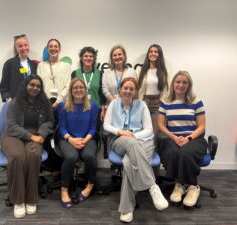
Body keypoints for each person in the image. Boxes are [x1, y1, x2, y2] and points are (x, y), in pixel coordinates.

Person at [104, 77, 168, 223]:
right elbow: (106, 126)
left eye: (131, 89)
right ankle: (152, 186)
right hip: (120, 141)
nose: (127, 91)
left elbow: (149, 129)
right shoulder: (113, 104)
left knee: (128, 163)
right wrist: (121, 132)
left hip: (143, 140)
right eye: (125, 88)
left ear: (135, 91)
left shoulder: (142, 105)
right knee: (131, 145)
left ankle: (126, 209)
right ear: (120, 89)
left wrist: (134, 135)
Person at [0, 75, 54, 218]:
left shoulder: (45, 103)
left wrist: (42, 133)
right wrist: (31, 136)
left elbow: (50, 122)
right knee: (17, 156)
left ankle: (31, 199)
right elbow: (11, 126)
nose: (35, 88)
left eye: (38, 86)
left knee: (33, 155)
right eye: (32, 84)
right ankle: (18, 200)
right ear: (25, 85)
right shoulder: (15, 103)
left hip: (36, 135)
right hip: (12, 136)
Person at [157, 71, 207, 208]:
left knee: (185, 153)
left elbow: (202, 126)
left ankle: (192, 186)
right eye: (178, 82)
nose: (180, 85)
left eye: (185, 82)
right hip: (172, 138)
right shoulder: (166, 102)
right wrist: (173, 137)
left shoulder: (196, 102)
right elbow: (161, 124)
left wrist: (188, 138)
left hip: (194, 139)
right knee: (171, 153)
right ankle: (179, 184)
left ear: (189, 85)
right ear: (173, 83)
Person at [58, 78, 99, 208]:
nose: (78, 90)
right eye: (75, 87)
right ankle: (64, 189)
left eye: (81, 87)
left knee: (89, 157)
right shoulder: (63, 106)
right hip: (67, 138)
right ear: (71, 90)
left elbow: (93, 128)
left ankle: (90, 185)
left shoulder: (93, 106)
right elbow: (62, 127)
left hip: (87, 138)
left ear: (85, 90)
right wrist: (71, 139)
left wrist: (85, 140)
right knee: (71, 157)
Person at [136, 44, 169, 137]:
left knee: (155, 131)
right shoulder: (141, 70)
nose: (153, 53)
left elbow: (166, 91)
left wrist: (163, 105)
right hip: (143, 102)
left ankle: (154, 151)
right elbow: (137, 89)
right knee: (142, 130)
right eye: (151, 51)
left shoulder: (164, 71)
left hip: (157, 103)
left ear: (159, 55)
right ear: (148, 54)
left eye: (156, 52)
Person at [0, 34, 37, 102]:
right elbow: (3, 86)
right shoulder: (9, 63)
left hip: (32, 103)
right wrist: (9, 100)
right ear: (16, 48)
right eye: (20, 46)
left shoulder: (34, 65)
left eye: (26, 45)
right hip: (15, 103)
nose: (24, 48)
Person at [71, 46, 106, 121]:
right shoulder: (75, 73)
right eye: (86, 56)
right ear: (81, 58)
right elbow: (71, 93)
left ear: (94, 59)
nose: (88, 58)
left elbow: (102, 93)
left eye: (91, 56)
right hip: (79, 109)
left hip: (96, 109)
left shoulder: (99, 73)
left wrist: (103, 110)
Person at [37, 38, 71, 109]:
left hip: (62, 104)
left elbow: (68, 86)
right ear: (47, 49)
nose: (53, 48)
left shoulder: (66, 66)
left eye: (56, 46)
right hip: (45, 104)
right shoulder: (41, 66)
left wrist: (57, 101)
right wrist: (46, 101)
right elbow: (39, 85)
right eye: (50, 46)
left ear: (59, 49)